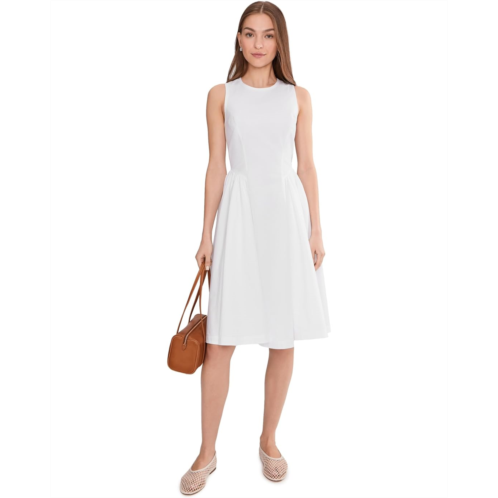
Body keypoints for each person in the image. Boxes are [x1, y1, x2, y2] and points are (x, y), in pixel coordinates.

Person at [180, 2, 331, 494]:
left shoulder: (298, 97)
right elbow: (216, 167)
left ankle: (268, 440)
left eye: (268, 35)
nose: (259, 43)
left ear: (279, 41)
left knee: (282, 337)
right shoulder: (221, 95)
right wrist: (205, 233)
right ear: (239, 40)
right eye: (250, 34)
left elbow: (306, 166)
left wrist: (316, 229)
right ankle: (207, 451)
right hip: (239, 218)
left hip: (286, 219)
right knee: (220, 341)